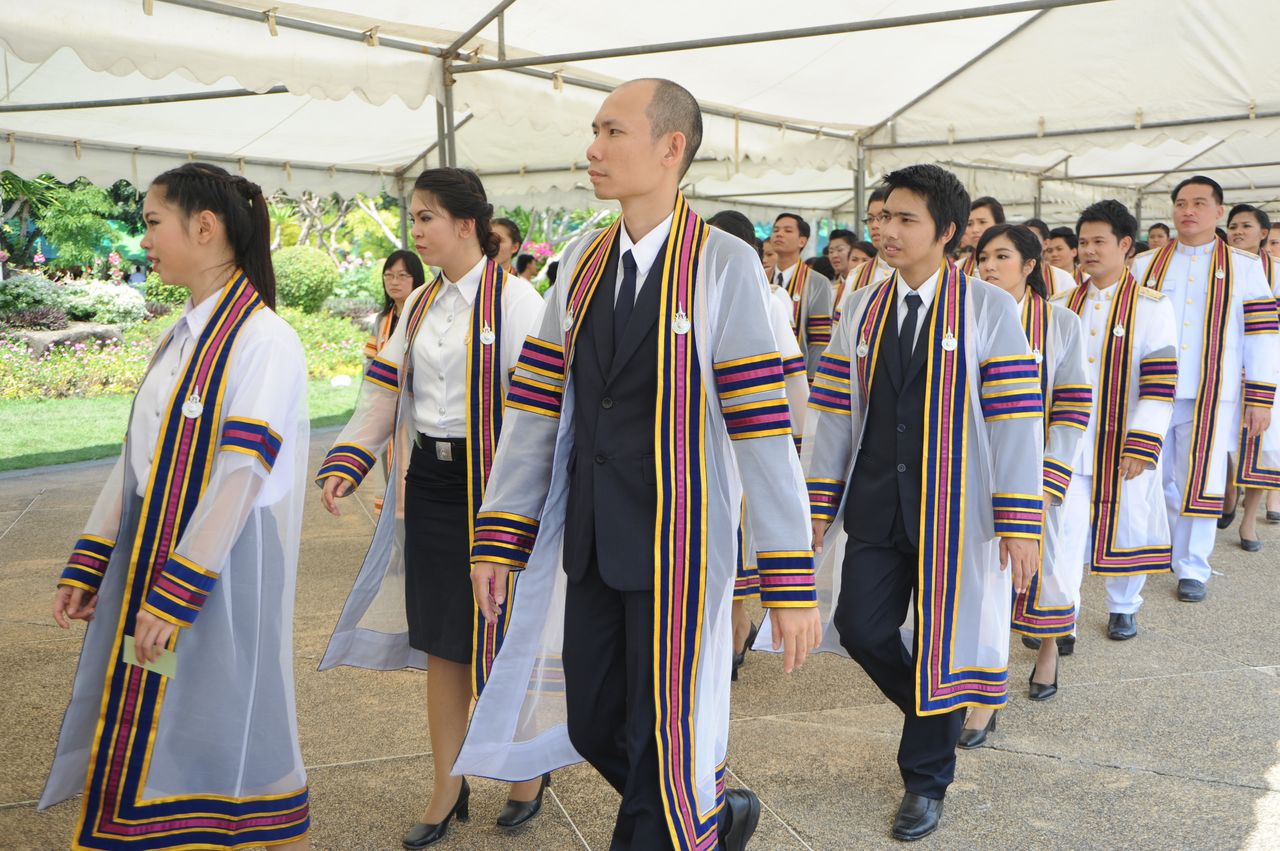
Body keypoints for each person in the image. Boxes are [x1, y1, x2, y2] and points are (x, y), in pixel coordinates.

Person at [456, 78, 822, 851]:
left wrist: (788, 577)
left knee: (662, 739)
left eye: (612, 131)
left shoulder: (723, 265)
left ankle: (681, 820)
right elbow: (536, 409)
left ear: (670, 148)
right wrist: (499, 535)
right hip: (593, 541)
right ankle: (710, 816)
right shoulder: (581, 263)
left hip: (680, 548)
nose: (592, 148)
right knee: (593, 722)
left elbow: (763, 431)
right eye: (594, 131)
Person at [43, 162, 311, 849]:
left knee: (231, 734)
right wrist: (92, 560)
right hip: (159, 556)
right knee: (166, 727)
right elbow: (136, 461)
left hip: (218, 566)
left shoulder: (263, 339)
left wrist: (175, 592)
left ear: (205, 226)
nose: (144, 240)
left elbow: (239, 478)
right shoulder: (182, 334)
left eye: (153, 222)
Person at [805, 164, 1044, 841]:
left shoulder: (988, 308)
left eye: (905, 219)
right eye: (883, 217)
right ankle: (937, 707)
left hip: (955, 513)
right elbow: (835, 414)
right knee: (860, 627)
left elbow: (1015, 420)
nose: (887, 230)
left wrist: (1020, 521)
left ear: (947, 232)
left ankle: (926, 779)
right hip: (877, 506)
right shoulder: (861, 307)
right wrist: (816, 503)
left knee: (943, 639)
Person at [316, 168, 546, 849]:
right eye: (413, 217)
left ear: (466, 224)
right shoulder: (418, 302)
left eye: (425, 217)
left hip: (500, 489)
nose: (414, 231)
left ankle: (525, 771)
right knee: (444, 640)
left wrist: (524, 501)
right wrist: (348, 460)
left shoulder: (519, 301)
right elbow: (383, 392)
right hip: (433, 485)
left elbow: (541, 413)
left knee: (505, 633)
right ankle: (448, 783)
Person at [958, 224, 1088, 748]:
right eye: (983, 257)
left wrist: (1050, 476)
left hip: (1037, 477)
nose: (988, 267)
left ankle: (1049, 651)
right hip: (977, 473)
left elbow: (1073, 404)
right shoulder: (965, 315)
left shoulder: (1060, 323)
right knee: (983, 582)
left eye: (1002, 256)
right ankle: (983, 696)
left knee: (1048, 570)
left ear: (1030, 265)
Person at [1130, 176, 1279, 603]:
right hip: (1152, 393)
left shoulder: (1246, 267)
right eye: (1181, 203)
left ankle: (1193, 566)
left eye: (1198, 203)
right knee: (1151, 475)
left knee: (1202, 478)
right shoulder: (1145, 265)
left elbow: (1262, 336)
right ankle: (1157, 547)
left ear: (1218, 211)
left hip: (1212, 393)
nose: (1188, 211)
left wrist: (1261, 398)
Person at [1048, 199, 1177, 642]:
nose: (1088, 250)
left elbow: (1160, 383)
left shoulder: (1153, 307)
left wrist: (1143, 441)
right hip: (1069, 441)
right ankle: (1061, 617)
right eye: (1083, 242)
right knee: (1063, 529)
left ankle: (1124, 606)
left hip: (1123, 441)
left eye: (1099, 241)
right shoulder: (1060, 304)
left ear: (1125, 245)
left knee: (1128, 521)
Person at [707, 208, 809, 679]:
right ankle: (731, 629)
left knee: (738, 534)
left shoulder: (768, 301)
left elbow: (791, 375)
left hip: (747, 436)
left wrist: (796, 442)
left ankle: (734, 629)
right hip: (703, 438)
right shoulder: (692, 293)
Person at [1223, 204, 1280, 544]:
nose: (1238, 232)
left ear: (1263, 233)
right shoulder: (1218, 267)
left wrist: (1260, 364)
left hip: (1266, 369)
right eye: (1233, 226)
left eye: (1246, 226)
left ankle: (1249, 520)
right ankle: (1228, 492)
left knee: (1261, 443)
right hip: (1223, 366)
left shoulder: (1277, 272)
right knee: (1217, 436)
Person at [771, 211, 835, 378]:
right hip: (766, 371)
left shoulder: (817, 282)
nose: (779, 234)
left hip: (799, 372)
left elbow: (819, 340)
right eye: (776, 230)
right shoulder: (760, 276)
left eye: (787, 230)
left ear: (802, 241)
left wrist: (810, 380)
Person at [837, 185, 895, 321]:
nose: (874, 225)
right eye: (870, 218)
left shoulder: (916, 272)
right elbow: (841, 327)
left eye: (883, 217)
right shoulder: (856, 275)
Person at [957, 195, 1005, 274]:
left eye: (982, 222)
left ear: (999, 224)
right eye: (969, 224)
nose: (975, 230)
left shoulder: (1012, 263)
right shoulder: (957, 269)